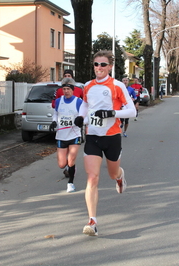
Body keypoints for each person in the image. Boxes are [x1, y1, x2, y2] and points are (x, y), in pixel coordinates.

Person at [73, 50, 136, 236]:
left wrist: (112, 113)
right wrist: (80, 117)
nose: (98, 68)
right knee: (92, 178)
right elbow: (85, 104)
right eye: (96, 64)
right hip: (92, 136)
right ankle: (92, 221)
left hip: (112, 136)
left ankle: (119, 175)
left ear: (109, 67)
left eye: (102, 64)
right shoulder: (88, 86)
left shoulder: (117, 86)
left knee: (111, 173)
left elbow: (132, 111)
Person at [49, 77, 83, 193]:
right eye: (64, 89)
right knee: (62, 164)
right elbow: (55, 114)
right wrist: (54, 122)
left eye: (68, 89)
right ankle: (69, 165)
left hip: (74, 134)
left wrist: (81, 120)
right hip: (61, 135)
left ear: (72, 90)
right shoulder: (59, 101)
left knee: (71, 159)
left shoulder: (78, 101)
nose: (66, 91)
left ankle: (71, 183)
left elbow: (85, 115)